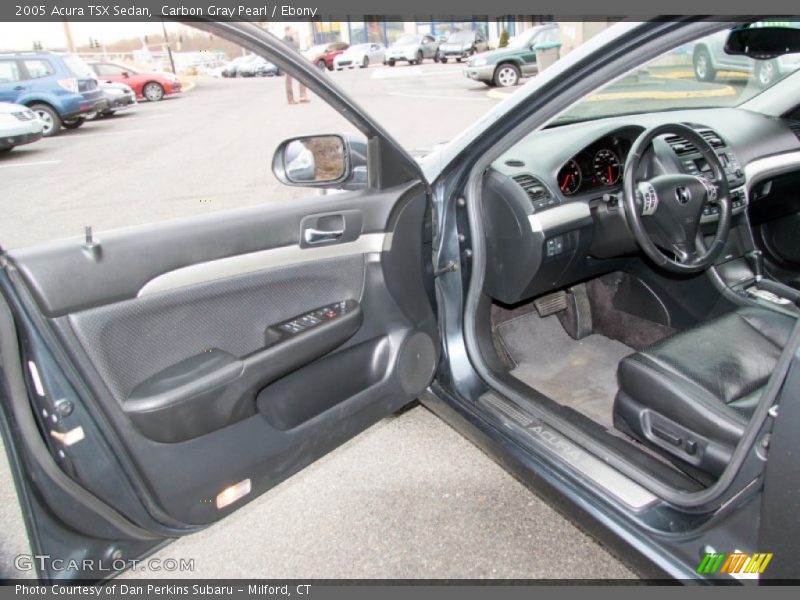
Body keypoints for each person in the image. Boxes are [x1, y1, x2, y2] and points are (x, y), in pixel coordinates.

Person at [282, 26, 309, 104]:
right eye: (291, 31)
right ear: (286, 31)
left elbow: (297, 47)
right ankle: (290, 99)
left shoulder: (293, 40)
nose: (292, 32)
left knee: (303, 77)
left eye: (292, 31)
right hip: (288, 63)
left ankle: (302, 97)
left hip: (296, 62)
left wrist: (295, 37)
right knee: (289, 82)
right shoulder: (283, 41)